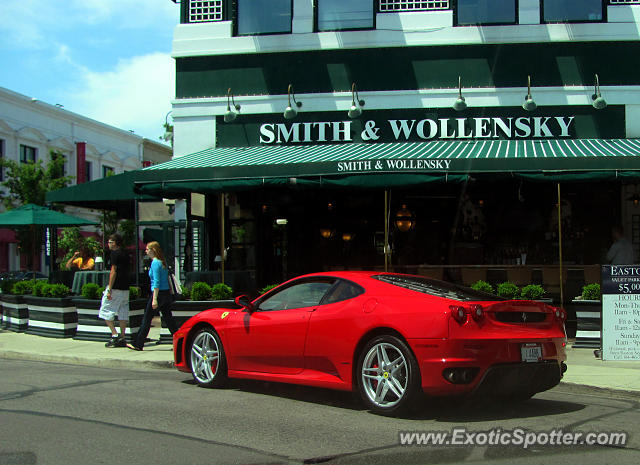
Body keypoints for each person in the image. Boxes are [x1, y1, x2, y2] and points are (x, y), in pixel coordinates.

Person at [128, 241, 178, 351]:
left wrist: (154, 299)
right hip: (166, 294)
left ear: (153, 250)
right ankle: (180, 342)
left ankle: (138, 343)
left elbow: (156, 282)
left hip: (158, 294)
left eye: (147, 249)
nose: (146, 251)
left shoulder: (155, 263)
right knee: (169, 319)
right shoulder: (162, 262)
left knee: (147, 318)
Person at [98, 234, 130, 348]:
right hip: (125, 287)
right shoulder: (126, 253)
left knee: (105, 310)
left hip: (116, 287)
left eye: (110, 242)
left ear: (115, 243)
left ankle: (114, 334)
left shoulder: (114, 254)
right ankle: (122, 336)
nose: (108, 244)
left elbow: (113, 271)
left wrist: (109, 289)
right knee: (123, 311)